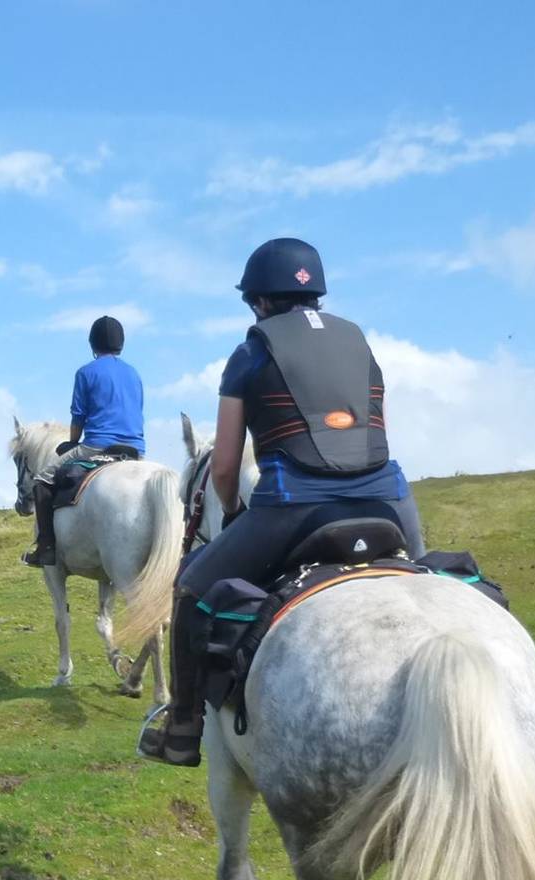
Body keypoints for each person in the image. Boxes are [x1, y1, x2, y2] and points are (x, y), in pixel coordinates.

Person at [138, 238, 427, 766]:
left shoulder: (250, 353)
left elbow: (224, 467)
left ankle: (182, 729)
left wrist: (235, 512)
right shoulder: (360, 343)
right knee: (428, 581)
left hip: (295, 506)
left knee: (190, 589)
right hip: (389, 501)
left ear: (259, 301)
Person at [21, 316, 146, 567]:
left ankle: (46, 546)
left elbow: (78, 415)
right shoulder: (134, 374)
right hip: (135, 450)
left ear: (93, 344)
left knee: (42, 479)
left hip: (97, 445)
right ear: (120, 344)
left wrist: (72, 441)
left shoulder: (86, 372)